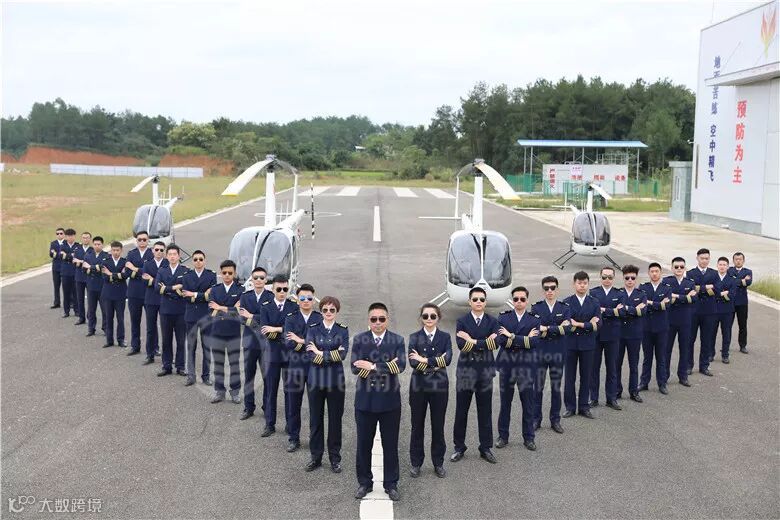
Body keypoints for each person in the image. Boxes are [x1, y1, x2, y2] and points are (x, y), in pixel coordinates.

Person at [351, 302, 406, 501]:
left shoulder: (397, 340)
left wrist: (372, 366)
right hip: (365, 401)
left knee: (390, 445)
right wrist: (386, 365)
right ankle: (364, 483)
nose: (378, 322)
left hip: (389, 402)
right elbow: (355, 368)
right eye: (374, 319)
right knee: (363, 444)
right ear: (369, 320)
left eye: (381, 319)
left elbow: (400, 366)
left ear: (387, 320)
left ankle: (391, 484)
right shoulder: (360, 340)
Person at [451, 287, 500, 464]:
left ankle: (485, 448)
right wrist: (485, 341)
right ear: (469, 302)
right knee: (461, 411)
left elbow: (496, 344)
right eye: (475, 299)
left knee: (485, 412)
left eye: (482, 299)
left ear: (485, 302)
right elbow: (461, 345)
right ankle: (459, 447)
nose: (479, 302)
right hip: (466, 372)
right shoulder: (462, 321)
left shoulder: (493, 321)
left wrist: (472, 340)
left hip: (485, 373)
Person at [304, 297, 348, 474]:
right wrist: (330, 354)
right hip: (315, 381)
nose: (328, 313)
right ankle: (316, 457)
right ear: (321, 311)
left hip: (335, 382)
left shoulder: (342, 330)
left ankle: (335, 458)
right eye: (325, 310)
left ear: (337, 312)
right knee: (315, 420)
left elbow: (342, 355)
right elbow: (310, 354)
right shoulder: (313, 328)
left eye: (332, 310)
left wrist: (320, 352)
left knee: (335, 421)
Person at [407, 303, 451, 479]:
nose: (429, 319)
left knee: (438, 426)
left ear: (438, 318)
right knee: (417, 426)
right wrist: (436, 362)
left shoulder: (445, 337)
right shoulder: (414, 337)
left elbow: (448, 360)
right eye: (425, 316)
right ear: (421, 318)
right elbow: (413, 362)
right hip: (419, 387)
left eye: (433, 316)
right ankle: (416, 463)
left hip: (439, 387)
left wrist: (424, 359)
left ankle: (438, 462)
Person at [495, 286, 541, 451]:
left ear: (527, 301)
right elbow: (501, 341)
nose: (519, 302)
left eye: (522, 299)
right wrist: (524, 339)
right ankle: (503, 436)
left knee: (528, 403)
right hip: (507, 366)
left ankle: (529, 438)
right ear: (512, 300)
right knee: (505, 403)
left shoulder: (534, 319)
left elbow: (534, 342)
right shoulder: (503, 317)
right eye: (516, 299)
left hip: (526, 366)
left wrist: (512, 336)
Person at [282, 284, 322, 452]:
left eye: (309, 298)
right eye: (302, 298)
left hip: (315, 368)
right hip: (295, 368)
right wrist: (308, 343)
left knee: (315, 407)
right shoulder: (290, 318)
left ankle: (315, 440)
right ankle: (294, 438)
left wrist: (300, 340)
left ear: (314, 300)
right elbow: (288, 343)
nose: (306, 301)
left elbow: (321, 342)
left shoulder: (320, 318)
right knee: (294, 405)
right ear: (297, 300)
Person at [258, 276, 298, 437]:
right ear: (273, 290)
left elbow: (295, 330)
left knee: (290, 392)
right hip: (272, 354)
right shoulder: (265, 307)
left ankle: (290, 424)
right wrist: (284, 330)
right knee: (270, 391)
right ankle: (269, 424)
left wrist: (276, 329)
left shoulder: (294, 306)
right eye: (279, 289)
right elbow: (265, 331)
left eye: (285, 289)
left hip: (289, 354)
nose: (282, 292)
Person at [531, 276, 570, 433]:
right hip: (540, 353)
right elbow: (535, 329)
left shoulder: (564, 308)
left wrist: (546, 328)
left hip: (558, 352)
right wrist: (557, 328)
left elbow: (567, 328)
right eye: (546, 288)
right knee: (538, 388)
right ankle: (536, 419)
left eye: (552, 288)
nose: (550, 291)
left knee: (556, 387)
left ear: (557, 289)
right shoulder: (536, 308)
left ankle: (555, 420)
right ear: (543, 290)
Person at [562, 271, 600, 419]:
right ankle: (570, 407)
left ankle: (584, 407)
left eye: (585, 283)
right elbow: (566, 324)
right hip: (570, 344)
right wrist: (588, 324)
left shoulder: (594, 302)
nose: (582, 286)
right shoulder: (566, 302)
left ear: (588, 284)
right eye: (579, 283)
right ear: (574, 284)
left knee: (586, 376)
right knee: (569, 377)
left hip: (588, 345)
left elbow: (598, 324)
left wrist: (577, 323)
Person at [237, 267, 273, 420]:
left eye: (261, 278)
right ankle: (249, 407)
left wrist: (251, 315)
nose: (258, 280)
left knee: (267, 378)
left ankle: (267, 407)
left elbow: (270, 319)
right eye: (256, 277)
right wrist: (259, 319)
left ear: (266, 280)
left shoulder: (271, 296)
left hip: (266, 343)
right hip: (249, 342)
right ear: (251, 280)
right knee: (249, 377)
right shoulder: (245, 296)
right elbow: (242, 319)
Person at [206, 259, 243, 403]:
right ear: (221, 273)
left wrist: (220, 307)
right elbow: (212, 311)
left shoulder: (240, 290)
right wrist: (231, 309)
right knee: (218, 363)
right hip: (217, 332)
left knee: (234, 364)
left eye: (230, 273)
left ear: (234, 273)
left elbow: (240, 312)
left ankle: (235, 391)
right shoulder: (215, 289)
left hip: (233, 333)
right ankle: (219, 391)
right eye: (224, 272)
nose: (227, 275)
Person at [589, 267, 623, 410]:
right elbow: (593, 312)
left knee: (612, 368)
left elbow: (621, 313)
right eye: (604, 277)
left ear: (613, 278)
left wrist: (603, 310)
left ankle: (611, 398)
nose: (607, 280)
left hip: (612, 336)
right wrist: (613, 311)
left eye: (610, 277)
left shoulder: (619, 293)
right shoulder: (593, 292)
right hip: (596, 336)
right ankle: (594, 398)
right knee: (594, 369)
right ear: (600, 277)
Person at [181, 250, 216, 385]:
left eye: (201, 259)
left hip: (206, 315)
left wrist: (194, 295)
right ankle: (191, 376)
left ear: (204, 260)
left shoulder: (211, 275)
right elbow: (185, 296)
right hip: (191, 316)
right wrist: (203, 295)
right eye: (195, 259)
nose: (198, 262)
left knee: (206, 347)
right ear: (192, 261)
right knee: (191, 347)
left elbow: (211, 296)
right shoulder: (187, 276)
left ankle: (206, 376)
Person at [155, 244, 189, 376]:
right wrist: (175, 287)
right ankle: (167, 366)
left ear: (179, 256)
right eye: (170, 254)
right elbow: (157, 288)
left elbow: (186, 287)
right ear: (166, 256)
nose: (172, 257)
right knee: (166, 339)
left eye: (175, 254)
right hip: (166, 309)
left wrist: (166, 288)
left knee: (180, 340)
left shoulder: (185, 271)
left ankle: (180, 366)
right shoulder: (162, 271)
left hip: (181, 310)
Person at [663, 257, 697, 387]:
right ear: (672, 268)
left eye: (681, 267)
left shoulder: (690, 282)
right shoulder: (666, 281)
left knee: (685, 349)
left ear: (685, 268)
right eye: (676, 267)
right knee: (666, 350)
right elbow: (666, 297)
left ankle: (683, 376)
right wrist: (685, 297)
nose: (679, 269)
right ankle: (664, 376)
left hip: (685, 320)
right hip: (669, 320)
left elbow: (693, 299)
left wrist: (675, 296)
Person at [639, 263, 672, 394]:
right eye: (652, 271)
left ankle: (662, 383)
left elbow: (666, 306)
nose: (654, 273)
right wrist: (658, 304)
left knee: (661, 357)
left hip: (661, 328)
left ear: (660, 273)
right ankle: (644, 382)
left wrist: (650, 303)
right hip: (646, 327)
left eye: (656, 271)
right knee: (647, 357)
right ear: (648, 273)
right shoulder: (643, 287)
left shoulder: (667, 288)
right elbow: (642, 305)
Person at [616, 265, 647, 403]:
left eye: (632, 278)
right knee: (617, 364)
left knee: (633, 365)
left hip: (635, 334)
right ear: (623, 278)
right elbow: (618, 312)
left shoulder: (641, 294)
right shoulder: (618, 294)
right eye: (627, 277)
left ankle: (634, 391)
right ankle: (617, 390)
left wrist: (626, 308)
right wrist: (634, 309)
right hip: (619, 334)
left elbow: (643, 312)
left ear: (636, 279)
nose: (630, 280)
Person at [687, 248, 719, 376]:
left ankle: (704, 366)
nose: (704, 261)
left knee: (706, 340)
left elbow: (717, 290)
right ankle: (688, 365)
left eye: (707, 258)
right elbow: (690, 289)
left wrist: (699, 289)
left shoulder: (714, 273)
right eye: (702, 258)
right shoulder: (690, 273)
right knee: (690, 340)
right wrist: (707, 287)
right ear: (697, 258)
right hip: (693, 311)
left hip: (709, 311)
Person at [124, 231, 153, 356]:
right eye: (139, 239)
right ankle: (135, 346)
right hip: (134, 292)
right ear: (136, 241)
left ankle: (154, 347)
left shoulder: (152, 253)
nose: (142, 242)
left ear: (148, 240)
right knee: (135, 321)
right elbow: (127, 272)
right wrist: (142, 273)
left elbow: (152, 272)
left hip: (148, 292)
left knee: (151, 322)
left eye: (144, 239)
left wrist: (134, 269)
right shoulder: (131, 254)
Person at [140, 242, 168, 364]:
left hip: (164, 300)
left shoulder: (168, 264)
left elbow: (168, 281)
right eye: (157, 249)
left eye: (161, 250)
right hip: (150, 300)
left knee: (166, 330)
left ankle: (167, 357)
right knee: (150, 328)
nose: (159, 252)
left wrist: (152, 279)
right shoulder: (147, 264)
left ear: (164, 251)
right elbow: (144, 281)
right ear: (152, 250)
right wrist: (158, 282)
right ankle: (150, 354)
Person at [100, 241, 128, 348]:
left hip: (120, 294)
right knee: (108, 317)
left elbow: (125, 275)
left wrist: (111, 274)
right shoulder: (105, 261)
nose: (115, 252)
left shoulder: (125, 262)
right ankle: (109, 340)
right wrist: (118, 275)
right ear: (111, 250)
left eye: (117, 250)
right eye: (113, 250)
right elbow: (105, 277)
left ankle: (121, 340)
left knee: (120, 318)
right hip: (108, 293)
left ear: (121, 250)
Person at [82, 236, 108, 337]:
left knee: (105, 309)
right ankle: (91, 328)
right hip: (91, 286)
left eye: (99, 244)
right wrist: (95, 268)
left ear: (102, 245)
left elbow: (103, 267)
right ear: (93, 245)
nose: (97, 246)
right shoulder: (88, 255)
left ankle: (106, 328)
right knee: (91, 309)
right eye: (95, 244)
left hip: (102, 286)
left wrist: (90, 267)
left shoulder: (106, 256)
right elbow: (84, 269)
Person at [714, 257, 738, 363]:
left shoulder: (732, 279)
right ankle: (710, 354)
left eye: (724, 265)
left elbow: (732, 294)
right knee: (711, 333)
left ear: (728, 267)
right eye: (720, 264)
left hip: (727, 310)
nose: (722, 267)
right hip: (714, 310)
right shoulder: (712, 278)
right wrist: (723, 292)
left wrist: (718, 294)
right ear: (717, 265)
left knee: (726, 333)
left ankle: (725, 354)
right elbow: (711, 294)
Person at [728, 252, 752, 354]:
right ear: (733, 261)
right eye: (736, 259)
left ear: (743, 260)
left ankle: (743, 346)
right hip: (730, 301)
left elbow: (748, 282)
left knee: (742, 325)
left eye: (740, 259)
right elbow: (729, 282)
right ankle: (726, 345)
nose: (738, 261)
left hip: (742, 302)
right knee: (727, 325)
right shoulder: (729, 270)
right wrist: (742, 281)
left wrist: (735, 280)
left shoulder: (748, 271)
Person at [71, 231, 93, 326]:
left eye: (87, 237)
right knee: (79, 298)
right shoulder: (77, 249)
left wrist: (80, 261)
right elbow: (74, 261)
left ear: (90, 239)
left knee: (90, 299)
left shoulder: (93, 250)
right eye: (84, 237)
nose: (85, 239)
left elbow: (92, 262)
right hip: (79, 277)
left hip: (89, 277)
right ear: (81, 239)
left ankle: (89, 316)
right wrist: (82, 262)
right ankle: (81, 317)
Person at [59, 229, 78, 318]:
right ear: (66, 237)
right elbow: (61, 256)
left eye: (72, 236)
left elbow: (77, 256)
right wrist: (71, 256)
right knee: (66, 293)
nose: (70, 237)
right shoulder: (62, 246)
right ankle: (66, 311)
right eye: (68, 236)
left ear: (74, 236)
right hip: (65, 273)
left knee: (76, 293)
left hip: (75, 273)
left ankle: (77, 311)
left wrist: (67, 255)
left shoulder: (78, 246)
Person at [49, 227, 65, 309]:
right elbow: (51, 254)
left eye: (61, 233)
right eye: (57, 233)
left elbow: (67, 255)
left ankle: (70, 302)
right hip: (56, 268)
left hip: (65, 268)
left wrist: (56, 254)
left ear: (64, 234)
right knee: (56, 286)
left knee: (67, 286)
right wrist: (61, 255)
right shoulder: (53, 243)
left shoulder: (66, 243)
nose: (59, 235)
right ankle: (57, 302)